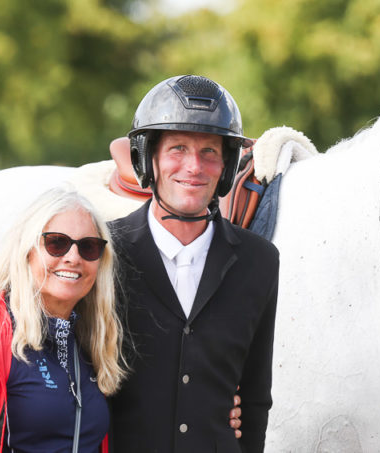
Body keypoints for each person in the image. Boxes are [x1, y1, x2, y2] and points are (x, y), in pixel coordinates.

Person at [107, 74, 279, 453]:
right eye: (178, 149)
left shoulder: (260, 261)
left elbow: (254, 399)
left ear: (226, 166)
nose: (194, 167)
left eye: (210, 152)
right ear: (148, 157)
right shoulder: (104, 252)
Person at [0, 187, 126, 452]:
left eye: (89, 247)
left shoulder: (90, 340)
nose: (73, 258)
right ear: (27, 251)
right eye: (56, 243)